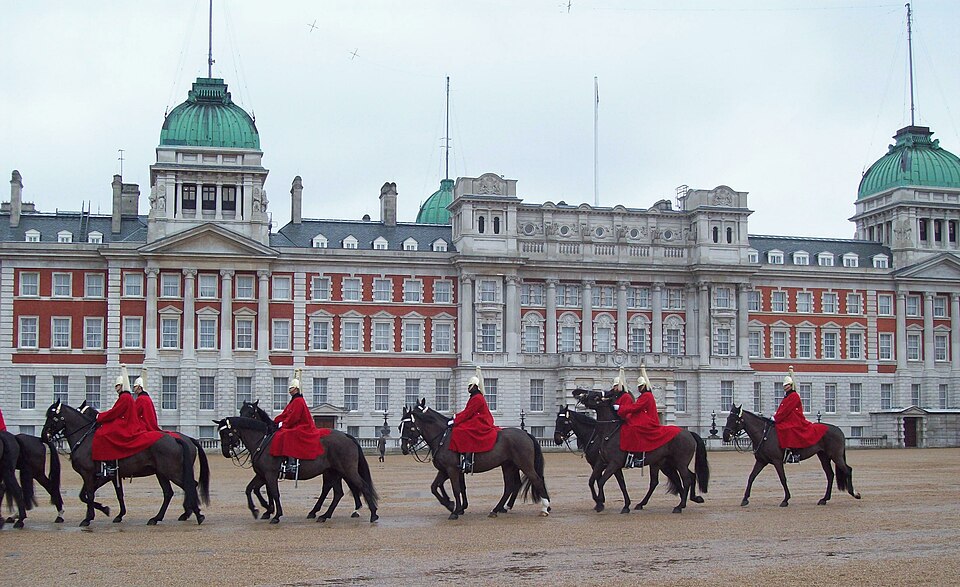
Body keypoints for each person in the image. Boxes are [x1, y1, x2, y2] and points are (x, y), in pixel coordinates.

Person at [91, 365, 165, 478]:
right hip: (132, 421)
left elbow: (115, 412)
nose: (116, 387)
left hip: (133, 423)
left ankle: (110, 463)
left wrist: (100, 417)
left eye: (117, 385)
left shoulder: (131, 398)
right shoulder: (136, 397)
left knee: (103, 433)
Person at [614, 365, 682, 468]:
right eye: (639, 386)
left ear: (645, 386)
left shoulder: (646, 396)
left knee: (633, 428)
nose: (639, 388)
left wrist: (620, 408)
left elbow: (636, 407)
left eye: (641, 386)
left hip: (649, 420)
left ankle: (635, 455)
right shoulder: (644, 395)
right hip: (645, 418)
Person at [270, 369, 330, 478]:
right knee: (281, 433)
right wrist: (276, 421)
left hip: (303, 426)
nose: (290, 390)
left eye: (291, 388)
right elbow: (286, 414)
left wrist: (283, 424)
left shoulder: (299, 401)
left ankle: (291, 462)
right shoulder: (293, 401)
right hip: (294, 424)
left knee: (287, 434)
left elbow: (294, 417)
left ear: (297, 389)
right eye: (290, 388)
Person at [448, 367, 499, 473]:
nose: (468, 388)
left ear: (475, 386)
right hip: (477, 418)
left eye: (470, 386)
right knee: (461, 427)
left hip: (482, 420)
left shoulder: (477, 398)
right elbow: (467, 412)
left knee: (463, 430)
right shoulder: (474, 397)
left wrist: (455, 419)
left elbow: (467, 413)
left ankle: (467, 459)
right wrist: (456, 417)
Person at [774, 366, 828, 463]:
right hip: (788, 419)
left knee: (788, 429)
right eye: (784, 386)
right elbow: (781, 410)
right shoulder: (787, 397)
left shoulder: (794, 396)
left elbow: (786, 410)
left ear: (791, 385)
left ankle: (794, 453)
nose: (785, 387)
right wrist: (775, 417)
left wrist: (776, 418)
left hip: (796, 420)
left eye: (787, 386)